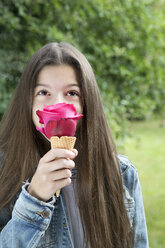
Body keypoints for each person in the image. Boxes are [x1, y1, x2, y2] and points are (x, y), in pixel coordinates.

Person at [0, 42, 149, 248]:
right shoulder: (3, 171)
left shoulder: (123, 174)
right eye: (43, 92)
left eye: (71, 93)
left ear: (87, 102)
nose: (57, 104)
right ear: (28, 102)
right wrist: (34, 198)